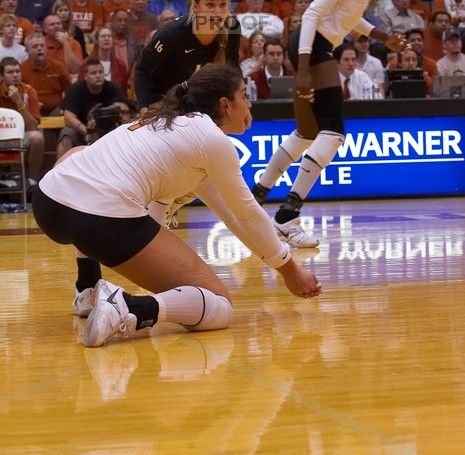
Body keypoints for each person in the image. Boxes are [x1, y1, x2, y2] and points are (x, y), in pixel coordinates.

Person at [32, 64, 322, 348]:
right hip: (99, 219)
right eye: (244, 96)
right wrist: (289, 269)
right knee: (219, 305)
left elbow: (231, 217)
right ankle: (127, 307)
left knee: (79, 153)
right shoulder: (211, 140)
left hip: (49, 202)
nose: (249, 105)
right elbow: (247, 214)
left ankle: (87, 287)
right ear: (225, 104)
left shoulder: (163, 122)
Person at [251, 0, 405, 248]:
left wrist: (382, 37)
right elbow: (312, 13)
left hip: (319, 47)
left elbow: (350, 16)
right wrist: (304, 67)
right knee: (333, 132)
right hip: (311, 46)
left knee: (307, 133)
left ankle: (257, 196)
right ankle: (288, 215)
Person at [135, 0, 241, 112]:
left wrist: (241, 101)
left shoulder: (233, 27)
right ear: (195, 6)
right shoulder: (171, 34)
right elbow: (142, 69)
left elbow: (233, 68)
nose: (217, 11)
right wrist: (145, 106)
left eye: (223, 4)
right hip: (162, 99)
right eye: (210, 4)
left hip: (196, 99)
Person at [55, 59, 122, 159]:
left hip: (107, 130)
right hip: (81, 130)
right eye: (93, 73)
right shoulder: (76, 89)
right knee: (67, 135)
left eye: (100, 72)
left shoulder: (113, 89)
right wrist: (88, 131)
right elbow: (68, 117)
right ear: (85, 76)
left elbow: (122, 111)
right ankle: (58, 170)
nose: (98, 75)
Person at [0, 56, 44, 187]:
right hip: (1, 137)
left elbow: (33, 126)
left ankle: (32, 182)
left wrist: (19, 103)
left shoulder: (29, 91)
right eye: (10, 72)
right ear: (1, 76)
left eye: (17, 71)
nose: (15, 75)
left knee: (37, 137)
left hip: (21, 135)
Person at [21, 32, 70, 116]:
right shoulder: (21, 69)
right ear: (27, 51)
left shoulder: (58, 66)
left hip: (56, 109)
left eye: (42, 46)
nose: (39, 48)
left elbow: (69, 90)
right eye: (35, 46)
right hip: (31, 110)